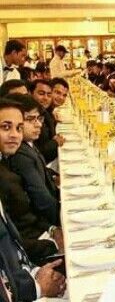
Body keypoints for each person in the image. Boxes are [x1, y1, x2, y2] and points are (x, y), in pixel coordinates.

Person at [0, 97, 62, 263]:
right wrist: (53, 244)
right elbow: (10, 243)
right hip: (30, 253)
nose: (14, 135)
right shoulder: (10, 168)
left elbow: (26, 213)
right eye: (6, 127)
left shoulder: (6, 161)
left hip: (38, 233)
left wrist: (51, 228)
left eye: (18, 128)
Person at [8, 96, 60, 226]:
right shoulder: (20, 154)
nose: (38, 124)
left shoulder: (28, 143)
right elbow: (43, 201)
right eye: (30, 119)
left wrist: (53, 176)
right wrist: (62, 220)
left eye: (39, 118)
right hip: (41, 223)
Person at [30, 79, 65, 165]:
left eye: (49, 95)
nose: (45, 98)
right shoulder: (29, 118)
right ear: (30, 93)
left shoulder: (44, 113)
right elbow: (36, 153)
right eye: (41, 94)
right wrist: (55, 143)